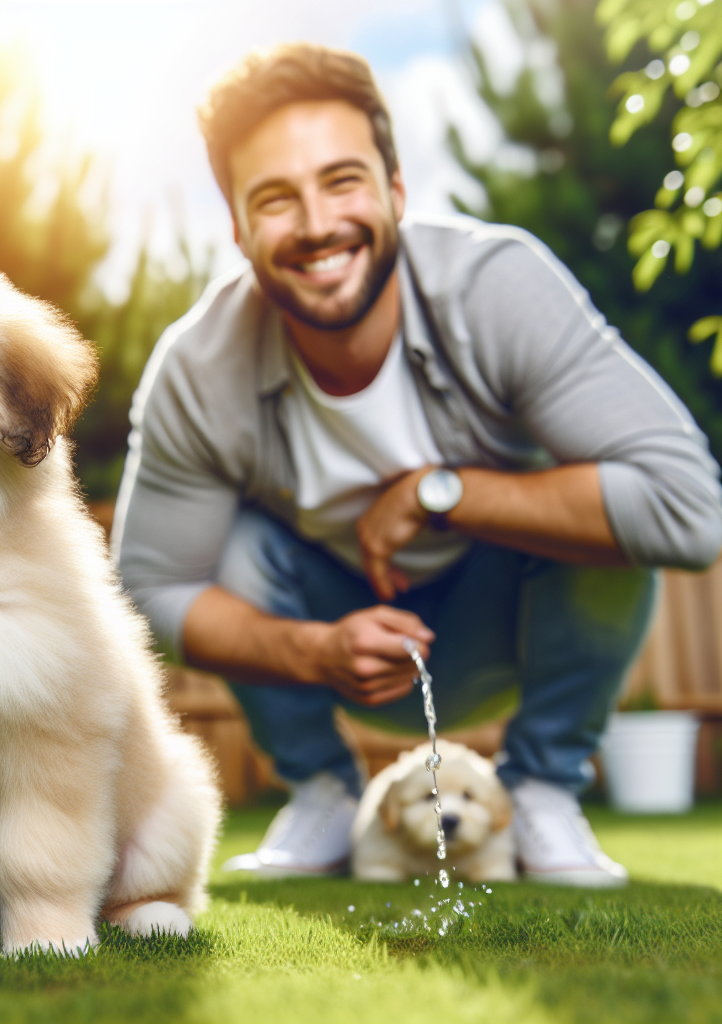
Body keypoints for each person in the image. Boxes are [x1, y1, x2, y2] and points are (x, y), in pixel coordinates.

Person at [112, 44, 722, 887]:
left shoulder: (498, 285)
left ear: (396, 190)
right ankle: (321, 793)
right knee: (234, 545)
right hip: (329, 626)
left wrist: (444, 495)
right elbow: (146, 591)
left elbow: (688, 509)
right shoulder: (196, 368)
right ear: (239, 227)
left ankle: (543, 788)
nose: (318, 223)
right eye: (277, 199)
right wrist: (312, 648)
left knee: (616, 511)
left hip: (502, 621)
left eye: (343, 180)